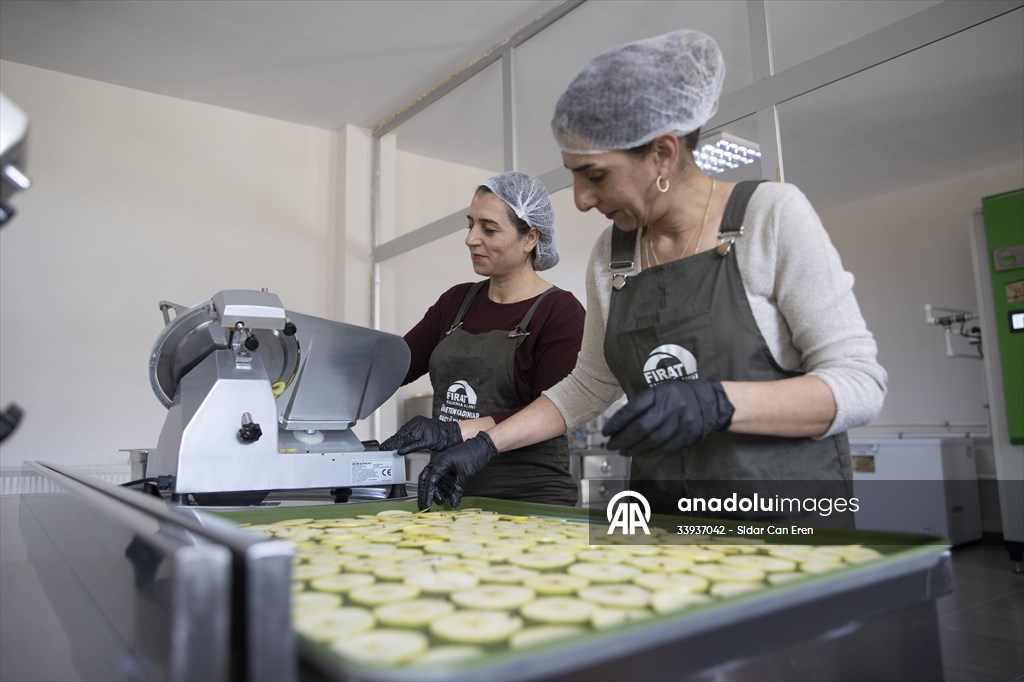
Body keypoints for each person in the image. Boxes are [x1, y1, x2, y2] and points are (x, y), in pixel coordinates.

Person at [417, 30, 887, 526]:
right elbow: (588, 384)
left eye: (595, 176)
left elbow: (859, 383)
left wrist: (719, 403)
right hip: (662, 517)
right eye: (573, 175)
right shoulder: (614, 254)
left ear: (663, 154)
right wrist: (484, 443)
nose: (579, 199)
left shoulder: (769, 215)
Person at [382, 170, 584, 506]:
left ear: (530, 238)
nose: (471, 238)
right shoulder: (456, 303)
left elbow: (555, 411)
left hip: (528, 500)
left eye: (488, 229)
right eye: (470, 224)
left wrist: (454, 431)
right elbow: (394, 366)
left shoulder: (560, 312)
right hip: (448, 491)